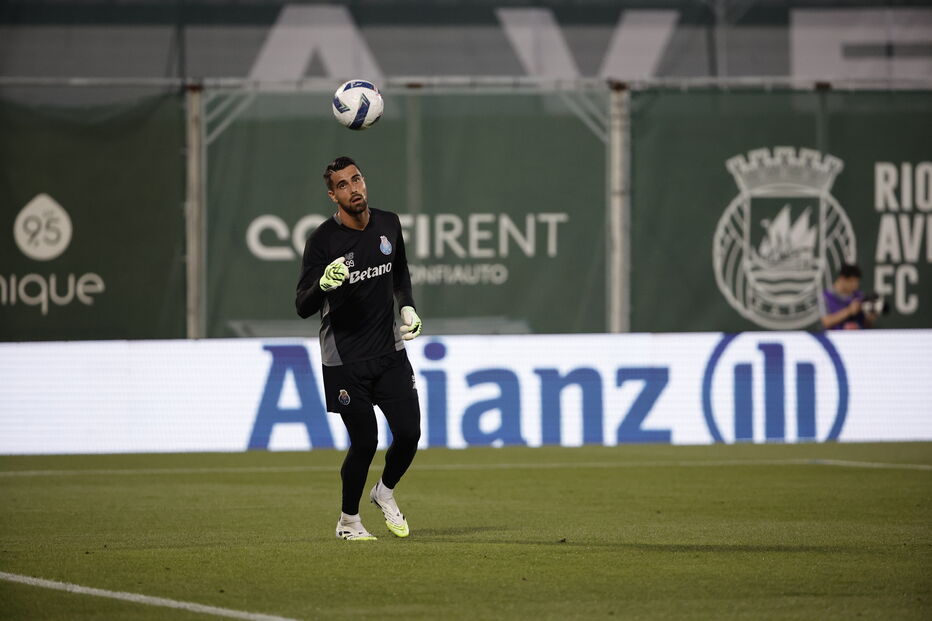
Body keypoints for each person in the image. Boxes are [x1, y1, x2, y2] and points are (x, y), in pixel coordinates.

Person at [295, 156, 423, 541]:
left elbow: (399, 271)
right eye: (344, 185)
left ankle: (384, 492)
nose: (354, 189)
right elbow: (303, 306)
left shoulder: (389, 223)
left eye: (357, 179)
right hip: (345, 358)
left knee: (409, 434)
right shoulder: (322, 241)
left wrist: (408, 306)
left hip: (389, 350)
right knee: (365, 440)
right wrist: (323, 284)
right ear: (333, 195)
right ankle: (348, 521)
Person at [820, 263, 877, 330]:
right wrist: (849, 310)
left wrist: (870, 317)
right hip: (835, 338)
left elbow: (867, 325)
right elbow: (826, 322)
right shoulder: (825, 296)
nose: (855, 285)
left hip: (857, 338)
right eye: (852, 281)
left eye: (857, 282)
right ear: (842, 279)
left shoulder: (860, 296)